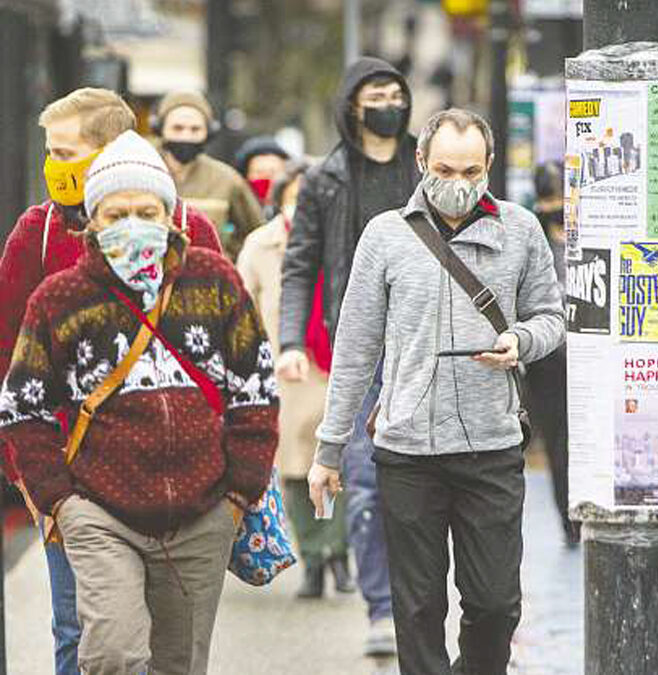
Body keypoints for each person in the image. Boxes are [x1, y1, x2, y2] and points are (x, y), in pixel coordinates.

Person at [0, 130, 279, 673]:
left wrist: (239, 493)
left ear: (172, 216)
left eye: (146, 210)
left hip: (203, 515)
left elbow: (256, 387)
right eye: (115, 213)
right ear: (91, 221)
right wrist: (60, 501)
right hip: (99, 514)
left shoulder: (214, 282)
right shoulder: (61, 298)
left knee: (179, 663)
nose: (132, 224)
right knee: (111, 654)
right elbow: (22, 405)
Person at [308, 108, 565, 675]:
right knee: (419, 606)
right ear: (421, 162)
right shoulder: (385, 235)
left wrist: (519, 340)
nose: (459, 182)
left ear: (490, 166)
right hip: (408, 451)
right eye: (445, 168)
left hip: (491, 447)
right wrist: (328, 451)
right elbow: (355, 348)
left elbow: (552, 317)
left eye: (472, 170)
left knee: (495, 604)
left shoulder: (520, 231)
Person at [278, 56, 419, 655]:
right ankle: (383, 608)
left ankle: (424, 603)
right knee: (363, 482)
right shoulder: (327, 178)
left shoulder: (426, 165)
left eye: (395, 93)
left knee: (422, 486)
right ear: (352, 107)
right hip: (357, 352)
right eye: (376, 94)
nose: (389, 103)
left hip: (427, 350)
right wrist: (289, 341)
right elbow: (300, 264)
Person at [237, 160, 353, 598]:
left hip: (335, 368)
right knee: (293, 472)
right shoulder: (259, 246)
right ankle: (313, 559)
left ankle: (338, 553)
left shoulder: (344, 243)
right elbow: (241, 308)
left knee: (334, 466)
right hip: (283, 373)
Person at [526, 160, 580, 547]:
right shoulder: (531, 239)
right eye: (547, 199)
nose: (554, 206)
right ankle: (569, 519)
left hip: (588, 357)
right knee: (558, 441)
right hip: (547, 362)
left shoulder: (591, 234)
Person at [153, 90, 264, 260]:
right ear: (160, 129)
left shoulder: (227, 179)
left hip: (209, 282)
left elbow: (257, 233)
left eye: (195, 129)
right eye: (177, 128)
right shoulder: (142, 173)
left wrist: (229, 259)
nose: (186, 136)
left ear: (209, 132)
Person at [234, 135, 291, 219]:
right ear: (246, 176)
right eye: (259, 172)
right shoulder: (237, 210)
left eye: (273, 172)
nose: (267, 179)